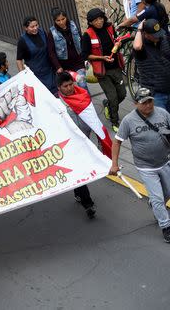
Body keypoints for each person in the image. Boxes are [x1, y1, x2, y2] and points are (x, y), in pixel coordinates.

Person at [110, 87, 170, 242]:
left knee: (167, 193)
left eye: (150, 101)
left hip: (164, 161)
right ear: (136, 103)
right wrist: (114, 164)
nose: (148, 105)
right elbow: (117, 142)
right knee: (157, 197)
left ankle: (155, 204)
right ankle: (166, 226)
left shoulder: (163, 113)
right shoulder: (128, 121)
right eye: (144, 102)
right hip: (145, 167)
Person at [57, 71, 113, 218]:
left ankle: (77, 192)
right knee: (80, 171)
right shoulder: (57, 105)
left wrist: (101, 141)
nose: (69, 88)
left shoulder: (83, 96)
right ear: (59, 88)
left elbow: (93, 119)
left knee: (80, 172)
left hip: (85, 141)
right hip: (70, 146)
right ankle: (88, 204)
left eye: (70, 84)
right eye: (65, 86)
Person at [82, 8, 126, 131]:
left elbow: (117, 41)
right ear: (90, 22)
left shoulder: (110, 27)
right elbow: (85, 55)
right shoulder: (87, 34)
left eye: (101, 18)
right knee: (113, 97)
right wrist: (102, 58)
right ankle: (114, 122)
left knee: (122, 94)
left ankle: (107, 105)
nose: (99, 21)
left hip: (115, 67)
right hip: (102, 71)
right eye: (95, 20)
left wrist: (119, 44)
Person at [132, 18, 170, 112]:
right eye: (154, 35)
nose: (158, 37)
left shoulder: (163, 39)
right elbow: (137, 46)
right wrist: (139, 29)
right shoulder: (141, 47)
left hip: (168, 88)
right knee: (161, 122)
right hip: (156, 93)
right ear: (145, 34)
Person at [16, 16, 60, 94]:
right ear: (26, 28)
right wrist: (23, 75)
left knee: (56, 95)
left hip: (49, 71)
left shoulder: (42, 32)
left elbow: (50, 49)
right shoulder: (22, 40)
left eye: (36, 25)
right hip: (36, 75)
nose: (35, 28)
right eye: (32, 27)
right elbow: (19, 59)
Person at [49, 8, 86, 88]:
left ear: (66, 17)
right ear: (54, 21)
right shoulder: (52, 32)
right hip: (65, 65)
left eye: (63, 19)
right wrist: (58, 66)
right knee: (69, 88)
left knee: (82, 84)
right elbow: (51, 52)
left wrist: (86, 57)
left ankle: (88, 100)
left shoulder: (73, 25)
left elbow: (81, 40)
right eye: (58, 20)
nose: (61, 22)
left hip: (78, 61)